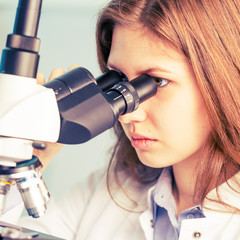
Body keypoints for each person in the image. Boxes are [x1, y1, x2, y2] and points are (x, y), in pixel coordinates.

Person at [1, 0, 240, 239]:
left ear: (222, 80)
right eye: (120, 79)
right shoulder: (106, 192)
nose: (128, 113)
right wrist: (13, 159)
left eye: (156, 81)